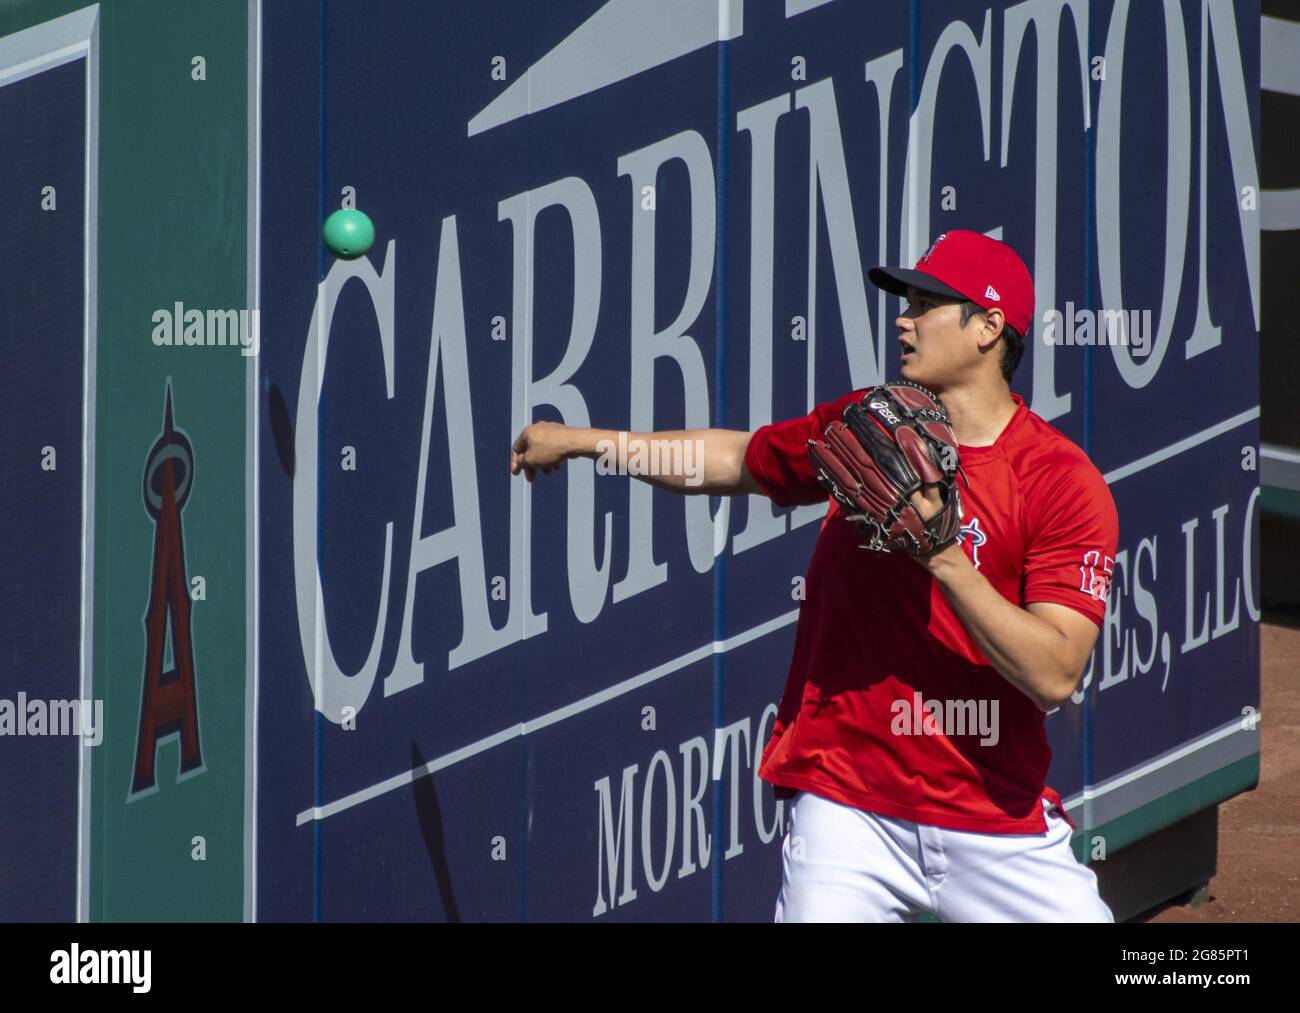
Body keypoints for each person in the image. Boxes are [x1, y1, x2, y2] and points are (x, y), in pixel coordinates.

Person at [510, 229, 1118, 923]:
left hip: (993, 814)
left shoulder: (1060, 483)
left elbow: (1055, 672)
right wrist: (589, 444)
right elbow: (738, 461)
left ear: (987, 327)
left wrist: (945, 557)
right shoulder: (867, 428)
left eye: (927, 302)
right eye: (905, 300)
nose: (903, 318)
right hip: (848, 804)